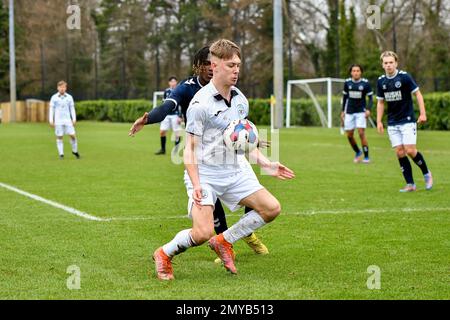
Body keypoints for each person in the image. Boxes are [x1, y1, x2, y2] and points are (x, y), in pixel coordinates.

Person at [152, 39, 295, 280]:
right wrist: (196, 184)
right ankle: (164, 254)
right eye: (230, 65)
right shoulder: (199, 104)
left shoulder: (240, 100)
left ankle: (224, 241)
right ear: (214, 66)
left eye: (238, 64)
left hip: (235, 168)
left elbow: (243, 141)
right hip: (206, 173)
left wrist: (266, 163)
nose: (236, 70)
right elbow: (190, 150)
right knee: (201, 232)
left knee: (271, 208)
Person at [129, 46, 269, 261]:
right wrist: (148, 119)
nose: (211, 69)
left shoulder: (232, 90)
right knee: (213, 213)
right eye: (206, 64)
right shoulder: (188, 89)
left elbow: (235, 123)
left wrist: (252, 140)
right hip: (204, 155)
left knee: (255, 198)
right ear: (199, 66)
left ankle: (247, 233)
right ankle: (222, 244)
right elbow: (168, 107)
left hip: (229, 154)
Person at [376, 51, 433, 192]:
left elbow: (418, 94)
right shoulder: (381, 81)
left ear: (396, 63)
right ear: (382, 65)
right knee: (400, 152)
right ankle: (410, 184)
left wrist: (423, 113)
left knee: (410, 150)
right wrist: (378, 121)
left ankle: (426, 173)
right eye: (386, 63)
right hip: (393, 122)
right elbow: (380, 103)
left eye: (391, 62)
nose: (388, 65)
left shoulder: (404, 77)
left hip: (407, 119)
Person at [341, 64, 373, 163]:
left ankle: (366, 157)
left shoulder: (365, 83)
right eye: (354, 71)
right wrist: (343, 111)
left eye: (358, 71)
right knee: (349, 135)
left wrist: (368, 109)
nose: (356, 72)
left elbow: (370, 98)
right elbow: (345, 97)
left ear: (361, 72)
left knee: (361, 133)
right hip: (349, 111)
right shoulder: (347, 83)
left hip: (360, 112)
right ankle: (358, 152)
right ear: (351, 72)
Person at [49, 81, 80, 160]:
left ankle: (75, 151)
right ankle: (61, 154)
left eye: (63, 87)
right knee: (59, 137)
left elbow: (72, 108)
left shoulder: (69, 97)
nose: (62, 89)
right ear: (57, 88)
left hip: (68, 120)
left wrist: (74, 119)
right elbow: (51, 109)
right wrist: (51, 120)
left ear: (65, 88)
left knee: (73, 136)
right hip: (58, 121)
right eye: (60, 87)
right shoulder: (54, 97)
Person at [155, 76, 183, 155]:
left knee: (177, 133)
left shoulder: (179, 91)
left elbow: (181, 105)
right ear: (169, 83)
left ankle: (176, 150)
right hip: (166, 115)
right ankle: (163, 149)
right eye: (171, 81)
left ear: (176, 82)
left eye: (174, 81)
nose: (173, 83)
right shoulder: (166, 91)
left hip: (175, 115)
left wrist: (180, 116)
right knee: (162, 132)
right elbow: (164, 104)